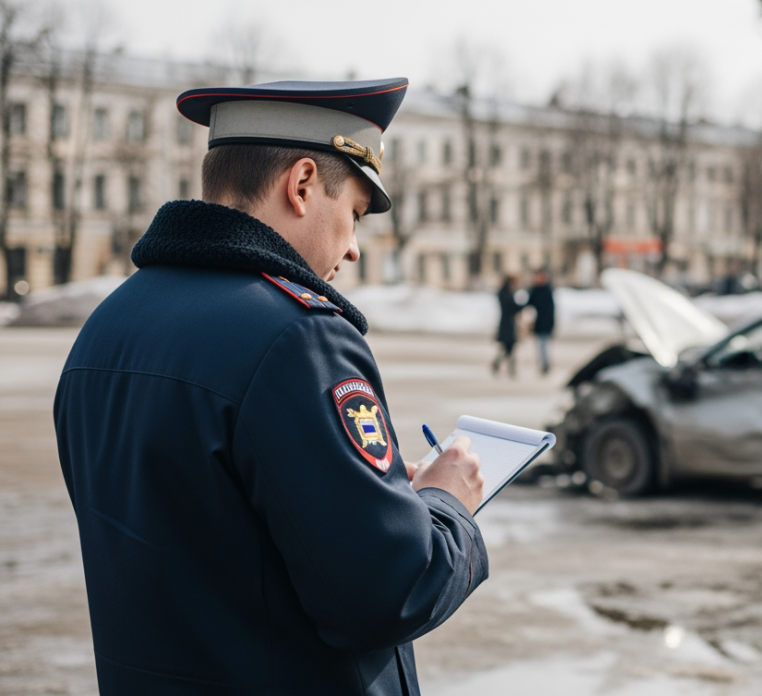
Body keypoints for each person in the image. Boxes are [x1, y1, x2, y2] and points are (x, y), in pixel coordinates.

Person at [54, 79, 488, 695]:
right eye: (356, 215)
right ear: (303, 184)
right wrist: (449, 506)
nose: (355, 250)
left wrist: (377, 498)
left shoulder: (105, 329)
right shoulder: (297, 338)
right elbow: (389, 591)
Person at [526, 269, 556, 376]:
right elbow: (529, 303)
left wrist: (552, 323)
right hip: (538, 323)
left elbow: (552, 309)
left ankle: (545, 364)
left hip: (546, 322)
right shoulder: (534, 290)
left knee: (544, 344)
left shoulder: (547, 290)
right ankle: (543, 363)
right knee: (540, 345)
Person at [492, 274, 521, 377]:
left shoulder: (507, 292)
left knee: (509, 348)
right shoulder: (505, 293)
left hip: (508, 323)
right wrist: (519, 307)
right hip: (506, 324)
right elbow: (510, 307)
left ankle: (508, 367)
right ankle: (507, 368)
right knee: (508, 348)